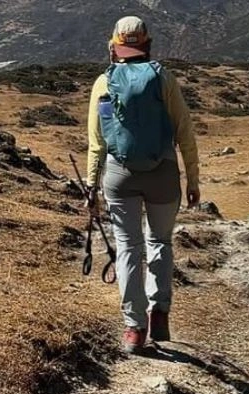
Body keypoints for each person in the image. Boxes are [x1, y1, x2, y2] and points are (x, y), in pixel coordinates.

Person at [86, 16, 201, 354]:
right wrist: (192, 178)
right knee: (160, 242)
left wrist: (91, 187)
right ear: (147, 45)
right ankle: (160, 310)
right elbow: (185, 132)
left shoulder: (102, 84)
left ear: (113, 47)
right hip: (163, 172)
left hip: (120, 176)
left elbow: (97, 143)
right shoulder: (163, 78)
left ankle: (134, 328)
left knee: (128, 247)